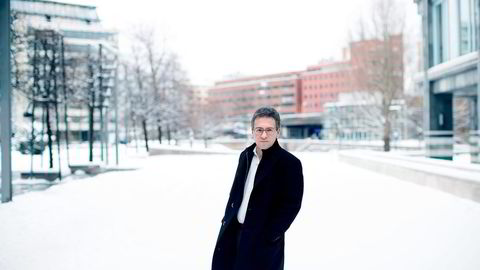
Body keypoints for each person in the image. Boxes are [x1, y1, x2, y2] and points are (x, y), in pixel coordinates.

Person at [212, 107, 304, 270]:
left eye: (269, 130)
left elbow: (292, 205)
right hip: (234, 233)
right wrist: (227, 218)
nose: (263, 135)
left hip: (262, 241)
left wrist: (271, 234)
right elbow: (235, 193)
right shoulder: (245, 156)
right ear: (252, 131)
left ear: (278, 131)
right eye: (259, 129)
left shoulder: (290, 163)